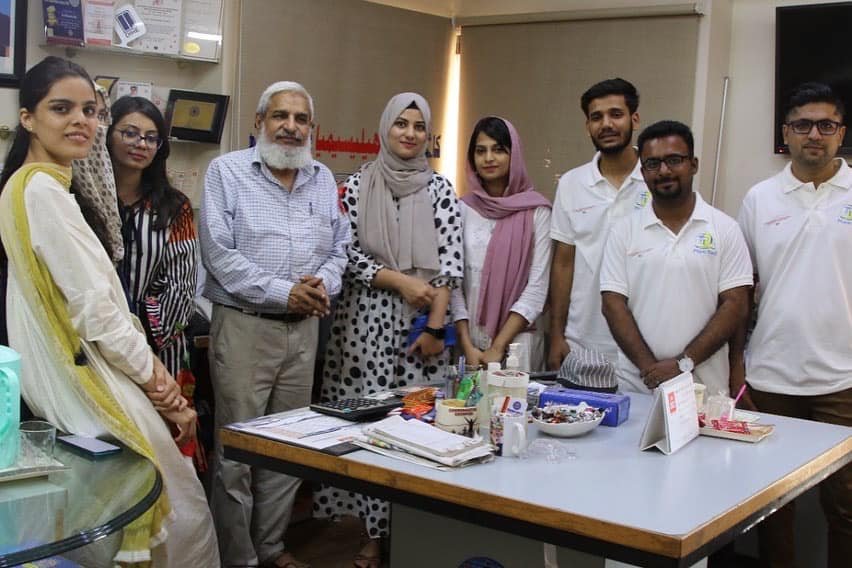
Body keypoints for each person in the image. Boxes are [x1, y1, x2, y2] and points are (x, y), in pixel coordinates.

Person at [0, 56, 218, 566]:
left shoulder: (32, 186)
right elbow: (97, 312)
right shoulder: (42, 192)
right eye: (62, 108)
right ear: (28, 117)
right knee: (179, 516)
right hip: (94, 378)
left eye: (90, 110)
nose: (81, 121)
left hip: (90, 370)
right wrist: (163, 389)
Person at [200, 80, 349, 568]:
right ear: (259, 122)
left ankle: (271, 548)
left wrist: (322, 286)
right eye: (280, 116)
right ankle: (238, 558)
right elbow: (220, 255)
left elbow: (340, 248)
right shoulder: (226, 172)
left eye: (301, 119)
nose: (290, 127)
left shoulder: (321, 179)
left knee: (288, 447)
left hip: (303, 331)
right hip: (245, 327)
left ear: (311, 128)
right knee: (238, 451)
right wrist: (286, 291)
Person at [315, 92, 463, 568]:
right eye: (401, 123)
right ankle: (373, 536)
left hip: (421, 333)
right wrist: (400, 281)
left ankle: (417, 532)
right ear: (385, 128)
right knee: (369, 431)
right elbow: (349, 255)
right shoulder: (356, 186)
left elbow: (450, 265)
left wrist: (435, 328)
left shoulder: (440, 189)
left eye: (419, 126)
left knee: (417, 429)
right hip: (362, 328)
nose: (410, 133)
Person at [737, 82, 851, 568]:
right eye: (803, 125)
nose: (814, 134)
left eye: (826, 125)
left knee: (846, 509)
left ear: (841, 132)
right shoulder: (759, 199)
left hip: (843, 381)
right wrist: (737, 367)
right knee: (772, 506)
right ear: (785, 133)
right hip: (771, 377)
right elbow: (741, 290)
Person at [599, 120, 752, 395]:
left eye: (674, 160)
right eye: (653, 164)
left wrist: (684, 363)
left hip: (705, 390)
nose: (664, 171)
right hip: (638, 387)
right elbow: (613, 305)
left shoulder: (725, 229)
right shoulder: (623, 231)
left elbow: (736, 305)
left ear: (693, 164)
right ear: (643, 172)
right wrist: (651, 370)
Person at [548, 78, 650, 391]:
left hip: (646, 343)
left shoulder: (656, 180)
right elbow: (563, 263)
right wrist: (557, 334)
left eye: (616, 114)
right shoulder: (572, 183)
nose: (606, 124)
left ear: (634, 119)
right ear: (588, 126)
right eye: (596, 117)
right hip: (584, 342)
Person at [451, 116, 551, 370]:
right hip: (468, 344)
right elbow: (453, 282)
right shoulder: (462, 209)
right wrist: (466, 343)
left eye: (498, 150)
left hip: (519, 343)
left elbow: (537, 288)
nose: (489, 158)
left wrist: (498, 347)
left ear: (513, 155)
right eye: (480, 151)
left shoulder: (537, 211)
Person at [108, 96, 197, 379]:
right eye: (130, 133)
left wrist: (142, 340)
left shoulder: (174, 207)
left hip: (158, 344)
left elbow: (182, 285)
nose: (141, 144)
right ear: (108, 134)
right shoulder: (86, 199)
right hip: (95, 338)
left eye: (151, 138)